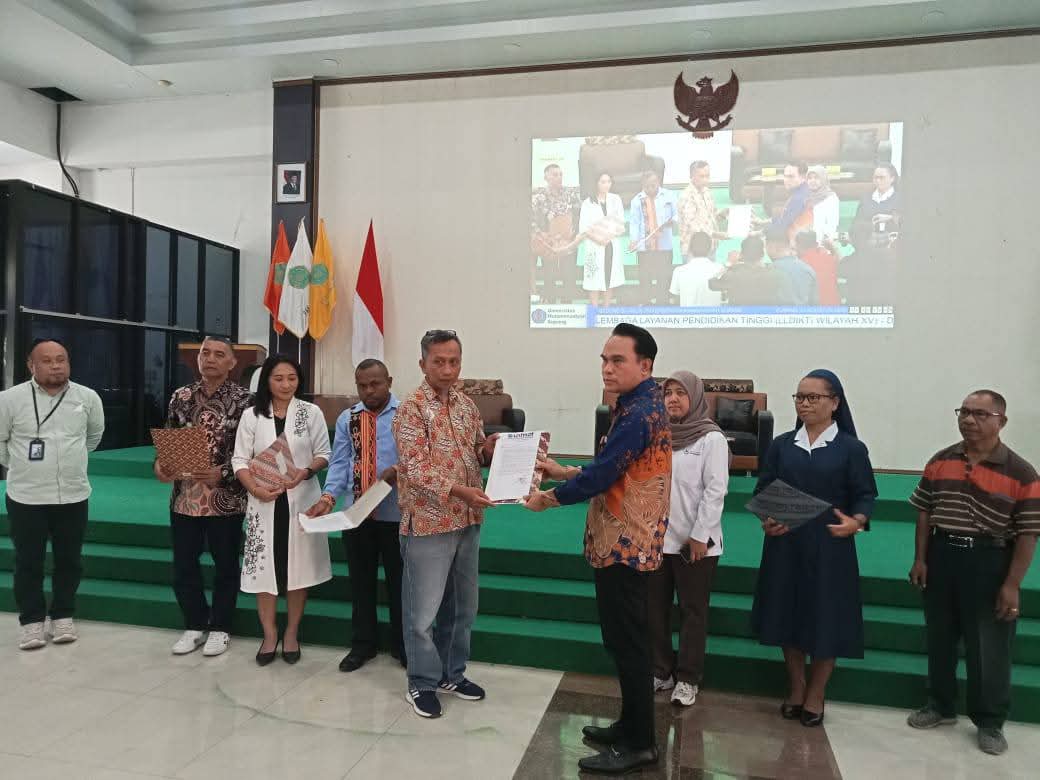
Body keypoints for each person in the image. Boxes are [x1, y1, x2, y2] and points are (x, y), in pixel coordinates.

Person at [526, 323, 671, 775]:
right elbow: (615, 468)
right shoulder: (634, 405)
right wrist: (565, 471)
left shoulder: (640, 413)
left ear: (645, 365)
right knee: (622, 641)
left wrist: (550, 497)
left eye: (617, 360)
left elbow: (605, 475)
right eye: (604, 360)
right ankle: (630, 726)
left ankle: (641, 744)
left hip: (626, 546)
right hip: (620, 542)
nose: (607, 369)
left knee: (630, 645)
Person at [906, 390, 1040, 756]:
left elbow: (1028, 533)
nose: (969, 420)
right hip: (942, 555)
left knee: (989, 646)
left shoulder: (1021, 472)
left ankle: (990, 721)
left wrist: (1012, 584)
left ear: (1002, 421)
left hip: (990, 561)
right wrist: (921, 559)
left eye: (980, 414)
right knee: (940, 636)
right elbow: (924, 512)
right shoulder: (941, 460)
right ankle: (940, 705)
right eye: (964, 412)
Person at [751, 369, 877, 727]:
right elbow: (763, 490)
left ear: (835, 403)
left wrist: (857, 521)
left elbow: (865, 495)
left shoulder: (851, 449)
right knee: (787, 615)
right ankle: (796, 686)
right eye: (799, 397)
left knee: (826, 619)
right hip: (786, 544)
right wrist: (767, 518)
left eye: (813, 397)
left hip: (830, 547)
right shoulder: (781, 445)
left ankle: (817, 693)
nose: (804, 404)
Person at [393, 330, 498, 719]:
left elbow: (476, 449)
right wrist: (460, 491)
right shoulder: (411, 409)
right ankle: (421, 682)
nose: (448, 369)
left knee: (462, 609)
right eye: (439, 361)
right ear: (423, 364)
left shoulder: (467, 405)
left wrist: (490, 450)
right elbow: (416, 470)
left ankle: (452, 674)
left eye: (454, 361)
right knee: (422, 615)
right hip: (429, 524)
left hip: (467, 520)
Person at [0, 338, 104, 650]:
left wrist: (70, 461)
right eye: (47, 361)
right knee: (28, 561)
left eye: (61, 359)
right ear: (31, 365)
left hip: (72, 494)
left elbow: (94, 436)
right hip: (27, 496)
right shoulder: (9, 399)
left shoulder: (87, 397)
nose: (56, 366)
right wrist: (24, 466)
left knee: (69, 560)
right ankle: (31, 622)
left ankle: (62, 616)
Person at [306, 358, 405, 672]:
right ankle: (363, 645)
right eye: (362, 386)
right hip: (356, 515)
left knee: (400, 584)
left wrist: (399, 470)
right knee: (361, 583)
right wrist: (328, 497)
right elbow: (339, 463)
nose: (369, 391)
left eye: (375, 384)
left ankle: (403, 646)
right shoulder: (348, 418)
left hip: (397, 515)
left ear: (389, 382)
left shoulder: (407, 416)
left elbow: (420, 458)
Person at [232, 356, 332, 666]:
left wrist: (306, 471)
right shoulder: (252, 415)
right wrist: (255, 489)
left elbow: (324, 453)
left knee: (297, 571)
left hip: (300, 499)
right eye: (278, 378)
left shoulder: (310, 412)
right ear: (266, 381)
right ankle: (269, 634)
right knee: (265, 570)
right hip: (264, 501)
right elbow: (239, 460)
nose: (286, 384)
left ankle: (291, 633)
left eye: (292, 378)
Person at [155, 336, 251, 657]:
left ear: (232, 362)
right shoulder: (181, 396)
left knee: (225, 565)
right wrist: (162, 466)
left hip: (227, 499)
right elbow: (169, 439)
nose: (210, 359)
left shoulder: (246, 401)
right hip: (185, 497)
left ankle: (221, 627)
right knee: (184, 564)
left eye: (219, 354)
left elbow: (255, 451)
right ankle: (194, 624)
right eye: (204, 353)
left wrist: (223, 472)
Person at [647, 371, 729, 707]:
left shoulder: (711, 439)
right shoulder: (657, 434)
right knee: (655, 609)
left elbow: (715, 490)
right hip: (657, 540)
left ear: (694, 397)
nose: (673, 399)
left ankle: (687, 678)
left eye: (681, 393)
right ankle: (661, 670)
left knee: (693, 611)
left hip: (695, 544)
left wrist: (699, 536)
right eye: (668, 393)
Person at [530, 163, 582, 303]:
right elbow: (531, 219)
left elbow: (579, 213)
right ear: (546, 177)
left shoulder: (570, 194)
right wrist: (541, 234)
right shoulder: (539, 197)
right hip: (548, 242)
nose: (559, 177)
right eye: (555, 174)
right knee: (549, 274)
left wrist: (575, 231)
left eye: (560, 174)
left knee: (569, 274)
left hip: (568, 241)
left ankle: (568, 304)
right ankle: (550, 302)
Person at [578, 171, 626, 307]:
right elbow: (584, 228)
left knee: (609, 276)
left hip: (611, 243)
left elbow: (620, 222)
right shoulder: (588, 203)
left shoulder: (616, 199)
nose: (606, 185)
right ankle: (594, 308)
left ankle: (606, 308)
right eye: (603, 182)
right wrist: (599, 240)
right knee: (594, 277)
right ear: (596, 183)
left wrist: (608, 237)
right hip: (595, 245)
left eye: (609, 182)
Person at [709, 235, 781, 305]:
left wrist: (728, 263)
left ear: (741, 254)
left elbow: (712, 283)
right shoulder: (774, 274)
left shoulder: (733, 275)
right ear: (762, 255)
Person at [677, 161, 726, 255]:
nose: (705, 180)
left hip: (710, 247)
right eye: (702, 176)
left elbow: (712, 217)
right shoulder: (687, 196)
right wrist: (715, 234)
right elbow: (692, 225)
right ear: (691, 176)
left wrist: (724, 213)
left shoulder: (707, 192)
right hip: (693, 250)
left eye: (707, 176)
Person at [765, 225, 818, 306]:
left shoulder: (768, 271)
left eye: (766, 247)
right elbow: (815, 304)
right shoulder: (808, 270)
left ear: (774, 247)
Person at [668, 231, 723, 307]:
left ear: (690, 248)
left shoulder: (679, 271)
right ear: (710, 248)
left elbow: (674, 301)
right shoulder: (720, 269)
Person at [628, 170, 677, 254]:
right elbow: (634, 223)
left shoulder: (669, 195)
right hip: (644, 248)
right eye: (647, 187)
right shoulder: (637, 200)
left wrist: (672, 221)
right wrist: (633, 240)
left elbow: (677, 213)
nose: (650, 189)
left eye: (653, 186)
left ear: (658, 183)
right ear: (642, 185)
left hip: (665, 246)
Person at [794, 230, 840, 306]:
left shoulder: (799, 265)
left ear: (799, 245)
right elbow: (839, 261)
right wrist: (832, 248)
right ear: (816, 244)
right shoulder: (829, 258)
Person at [805, 165, 840, 243]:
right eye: (810, 178)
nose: (812, 181)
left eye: (816, 178)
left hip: (822, 242)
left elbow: (832, 225)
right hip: (804, 240)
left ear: (823, 179)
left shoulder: (831, 199)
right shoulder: (805, 197)